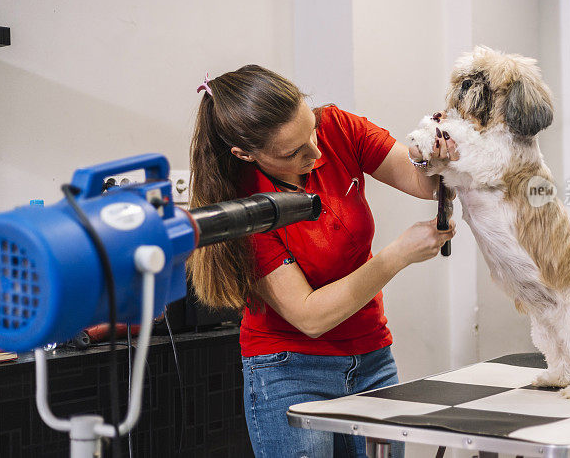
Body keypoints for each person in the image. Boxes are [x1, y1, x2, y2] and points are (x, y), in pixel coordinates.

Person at [187, 64, 457, 457]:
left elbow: (425, 184)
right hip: (288, 371)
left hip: (372, 358)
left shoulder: (337, 128)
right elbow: (310, 316)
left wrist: (431, 154)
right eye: (293, 152)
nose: (316, 151)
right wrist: (397, 256)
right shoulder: (244, 207)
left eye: (310, 128)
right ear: (245, 154)